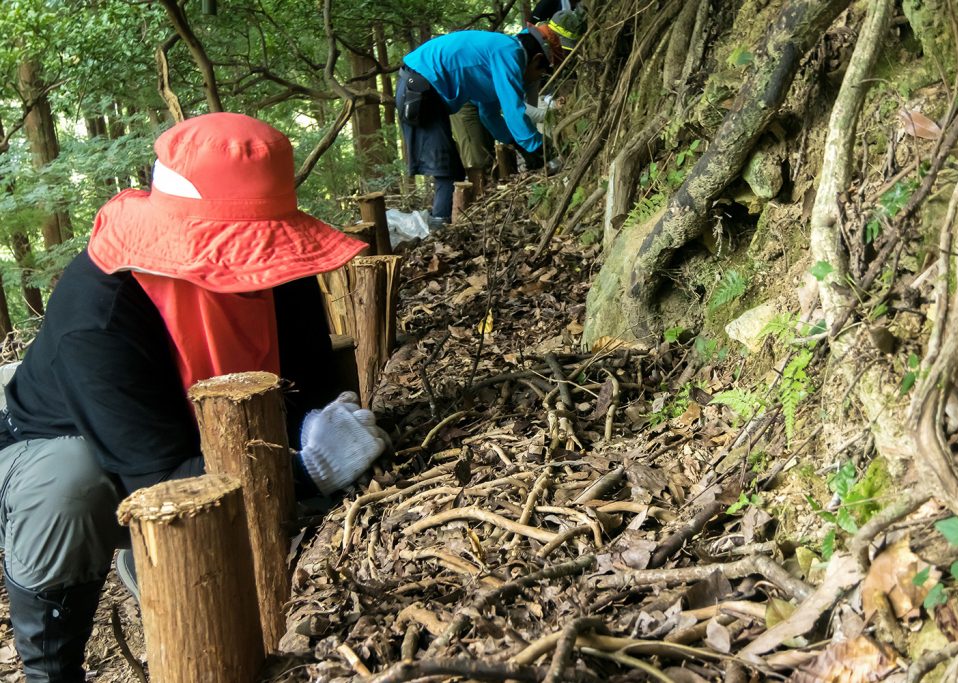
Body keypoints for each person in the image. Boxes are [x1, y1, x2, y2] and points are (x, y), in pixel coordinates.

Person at [0, 112, 388, 682]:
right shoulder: (101, 306)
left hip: (200, 440)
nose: (260, 269)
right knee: (71, 486)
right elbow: (161, 480)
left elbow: (309, 390)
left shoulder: (283, 274)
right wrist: (306, 470)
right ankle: (50, 667)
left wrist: (324, 432)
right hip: (75, 446)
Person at [396, 25, 567, 226]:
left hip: (422, 89)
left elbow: (489, 115)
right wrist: (536, 146)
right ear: (537, 59)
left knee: (449, 168)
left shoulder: (497, 58)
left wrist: (516, 143)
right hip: (419, 90)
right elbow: (514, 109)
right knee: (447, 169)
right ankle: (437, 229)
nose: (538, 79)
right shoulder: (510, 52)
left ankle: (440, 224)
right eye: (542, 73)